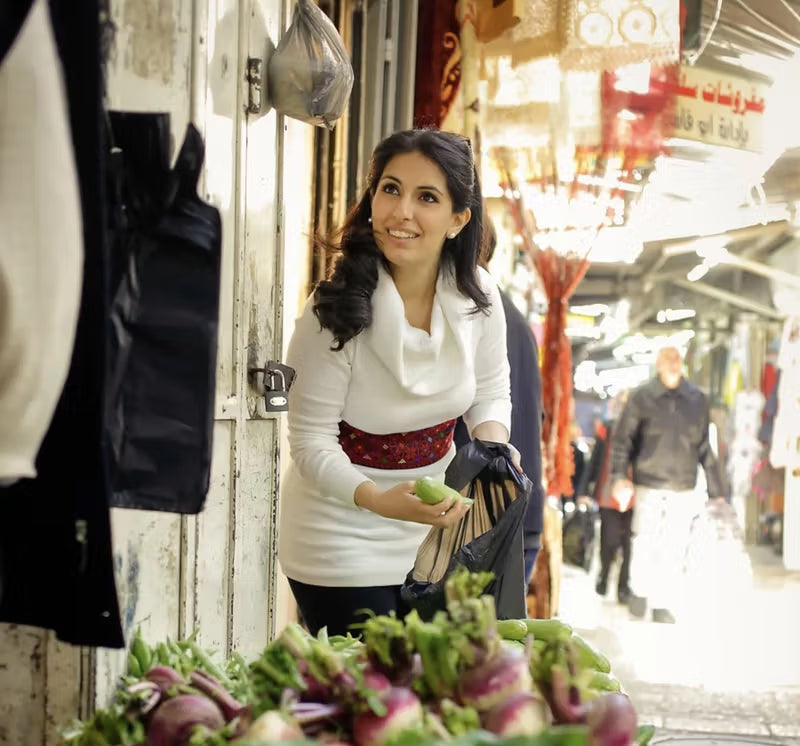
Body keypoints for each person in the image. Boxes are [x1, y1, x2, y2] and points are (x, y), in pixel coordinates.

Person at [278, 129, 514, 636]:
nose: (401, 211)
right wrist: (377, 499)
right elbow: (310, 442)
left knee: (429, 689)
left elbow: (492, 391)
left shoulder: (480, 297)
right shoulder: (333, 308)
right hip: (338, 534)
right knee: (371, 696)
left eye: (426, 197)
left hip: (435, 534)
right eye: (390, 189)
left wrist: (492, 448)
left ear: (458, 219)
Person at [610, 346, 724, 623]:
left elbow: (704, 447)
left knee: (674, 544)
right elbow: (623, 440)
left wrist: (717, 490)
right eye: (668, 359)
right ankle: (638, 592)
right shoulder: (641, 397)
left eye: (676, 359)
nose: (673, 364)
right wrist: (618, 476)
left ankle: (663, 603)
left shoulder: (697, 399)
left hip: (683, 484)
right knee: (645, 538)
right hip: (648, 481)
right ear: (658, 364)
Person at [576, 394, 633, 604]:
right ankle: (604, 575)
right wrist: (583, 490)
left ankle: (623, 587)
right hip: (608, 493)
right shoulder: (606, 429)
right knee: (609, 539)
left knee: (628, 542)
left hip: (634, 493)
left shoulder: (641, 430)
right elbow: (595, 461)